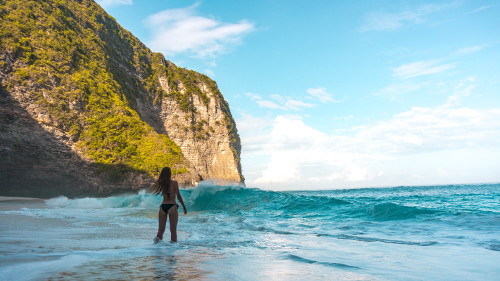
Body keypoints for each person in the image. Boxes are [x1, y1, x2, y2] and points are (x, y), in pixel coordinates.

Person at [152, 167, 187, 243]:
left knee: (160, 230)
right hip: (172, 206)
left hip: (163, 207)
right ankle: (172, 250)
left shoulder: (161, 183)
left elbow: (152, 188)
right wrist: (184, 206)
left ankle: (156, 248)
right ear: (170, 173)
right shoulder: (174, 183)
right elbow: (178, 196)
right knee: (173, 230)